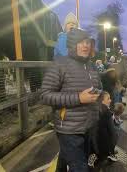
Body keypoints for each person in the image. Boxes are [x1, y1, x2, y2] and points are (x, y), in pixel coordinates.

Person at [40, 28, 100, 172]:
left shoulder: (91, 66)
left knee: (66, 161)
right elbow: (45, 95)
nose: (86, 46)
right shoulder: (60, 64)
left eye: (88, 42)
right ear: (73, 45)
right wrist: (78, 98)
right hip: (68, 130)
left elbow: (98, 87)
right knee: (80, 168)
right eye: (81, 42)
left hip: (88, 126)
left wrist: (101, 96)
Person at [98, 92, 118, 162]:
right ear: (102, 101)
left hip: (94, 141)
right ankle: (111, 153)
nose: (110, 100)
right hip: (103, 144)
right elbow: (112, 132)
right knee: (116, 132)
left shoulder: (94, 110)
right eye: (108, 99)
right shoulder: (107, 113)